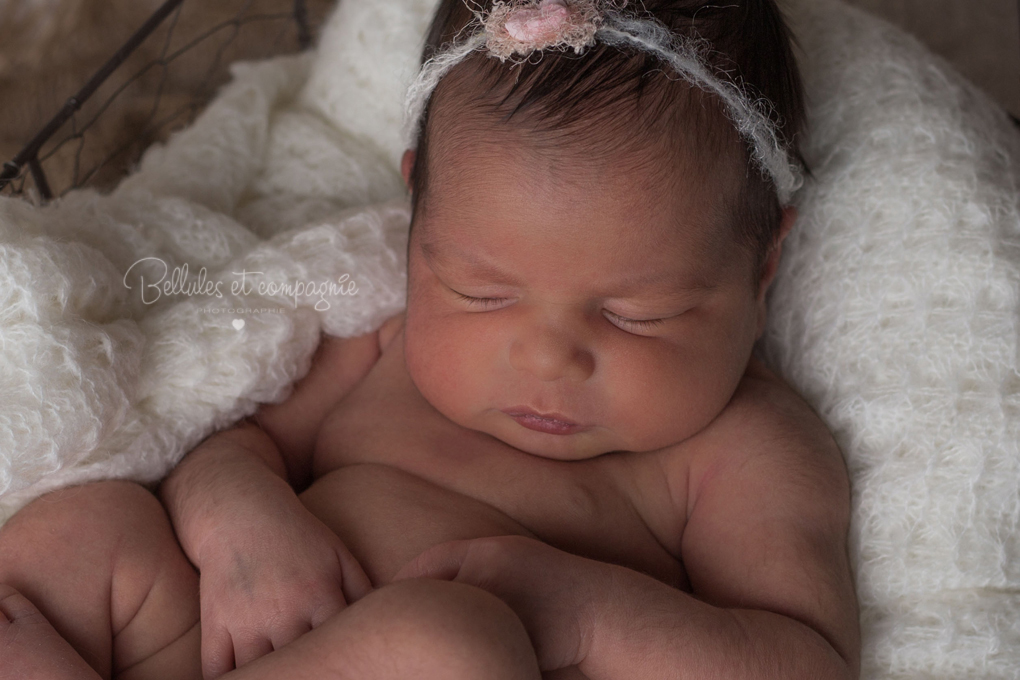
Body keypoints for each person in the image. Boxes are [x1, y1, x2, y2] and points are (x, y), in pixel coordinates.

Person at [0, 0, 861, 678]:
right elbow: (230, 441)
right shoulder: (380, 347)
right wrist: (241, 526)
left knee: (448, 648)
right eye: (481, 293)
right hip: (228, 646)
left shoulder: (743, 446)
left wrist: (591, 617)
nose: (545, 357)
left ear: (763, 265)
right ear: (417, 217)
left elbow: (803, 661)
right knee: (86, 526)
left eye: (638, 313)